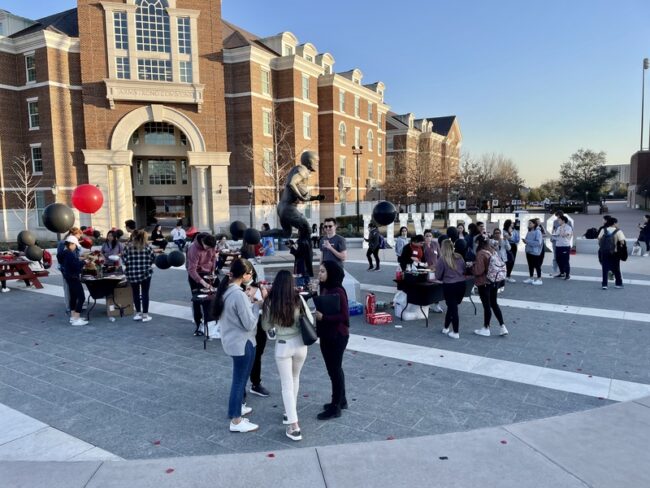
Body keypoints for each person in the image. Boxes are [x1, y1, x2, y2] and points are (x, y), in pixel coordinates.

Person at [211, 258, 261, 433]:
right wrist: (257, 306)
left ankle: (237, 409)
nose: (251, 277)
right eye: (251, 274)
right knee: (239, 381)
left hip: (234, 341)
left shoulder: (227, 290)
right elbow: (249, 324)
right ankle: (236, 420)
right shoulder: (238, 294)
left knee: (239, 379)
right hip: (242, 342)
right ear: (245, 275)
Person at [261, 270, 307, 441]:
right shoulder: (298, 298)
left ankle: (294, 425)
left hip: (282, 345)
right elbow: (306, 319)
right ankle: (290, 414)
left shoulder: (270, 302)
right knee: (295, 378)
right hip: (300, 344)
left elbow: (266, 326)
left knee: (286, 384)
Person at [314, 261, 349, 420]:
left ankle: (335, 407)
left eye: (322, 271)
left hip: (337, 336)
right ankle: (341, 400)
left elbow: (344, 316)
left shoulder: (338, 291)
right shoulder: (326, 288)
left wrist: (324, 317)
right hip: (327, 334)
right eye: (319, 271)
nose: (319, 274)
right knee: (334, 369)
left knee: (334, 371)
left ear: (331, 273)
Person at [472, 235, 508, 337]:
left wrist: (471, 267)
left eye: (476, 242)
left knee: (486, 306)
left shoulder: (480, 253)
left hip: (484, 283)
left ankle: (486, 328)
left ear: (479, 243)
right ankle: (502, 326)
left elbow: (479, 271)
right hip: (494, 281)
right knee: (494, 304)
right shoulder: (492, 251)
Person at [186, 233, 218, 332]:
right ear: (203, 242)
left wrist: (212, 272)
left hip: (208, 273)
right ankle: (198, 325)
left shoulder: (211, 245)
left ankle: (213, 322)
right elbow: (191, 270)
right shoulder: (193, 249)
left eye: (210, 248)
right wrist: (203, 283)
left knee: (216, 295)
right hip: (196, 274)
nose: (208, 250)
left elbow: (213, 258)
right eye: (207, 247)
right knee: (198, 300)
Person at [122, 229, 156, 322]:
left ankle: (138, 313)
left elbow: (124, 260)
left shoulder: (128, 247)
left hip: (132, 274)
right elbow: (153, 258)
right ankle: (145, 315)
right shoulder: (147, 247)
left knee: (135, 293)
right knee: (145, 293)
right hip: (145, 273)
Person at [437, 239, 466, 339]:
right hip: (461, 284)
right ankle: (445, 327)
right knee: (452, 306)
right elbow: (464, 270)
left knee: (453, 308)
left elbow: (438, 276)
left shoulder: (442, 259)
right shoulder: (459, 256)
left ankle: (456, 332)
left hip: (450, 285)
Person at [59, 236, 87, 327]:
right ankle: (76, 318)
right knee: (81, 297)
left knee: (74, 297)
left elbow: (72, 264)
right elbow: (75, 266)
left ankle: (73, 316)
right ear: (71, 244)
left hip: (68, 276)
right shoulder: (70, 254)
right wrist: (84, 262)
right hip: (73, 277)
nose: (75, 247)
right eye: (75, 245)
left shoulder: (64, 253)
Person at [57, 227, 83, 314]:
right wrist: (83, 262)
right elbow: (74, 264)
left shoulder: (67, 251)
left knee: (73, 294)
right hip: (71, 274)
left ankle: (73, 314)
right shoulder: (68, 251)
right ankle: (74, 315)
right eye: (78, 237)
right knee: (78, 296)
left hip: (68, 273)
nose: (76, 246)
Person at [598, 216, 626, 290]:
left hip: (604, 252)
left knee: (605, 268)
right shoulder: (618, 231)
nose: (618, 224)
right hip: (614, 253)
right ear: (614, 223)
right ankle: (618, 284)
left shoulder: (603, 230)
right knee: (616, 268)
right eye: (617, 223)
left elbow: (599, 239)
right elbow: (622, 242)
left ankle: (604, 284)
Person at [523, 219, 544, 285]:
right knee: (530, 265)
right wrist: (525, 241)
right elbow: (527, 240)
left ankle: (539, 279)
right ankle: (531, 278)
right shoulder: (529, 231)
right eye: (528, 223)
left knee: (537, 265)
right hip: (528, 251)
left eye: (530, 223)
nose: (529, 225)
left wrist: (527, 241)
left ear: (534, 224)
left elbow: (538, 243)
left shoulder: (538, 232)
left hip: (535, 251)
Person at [553, 215, 573, 280]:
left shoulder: (568, 227)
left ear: (563, 220)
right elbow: (556, 235)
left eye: (559, 220)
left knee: (565, 261)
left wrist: (562, 231)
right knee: (558, 260)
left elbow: (565, 235)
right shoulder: (558, 227)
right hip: (558, 245)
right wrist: (553, 237)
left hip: (565, 246)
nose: (558, 221)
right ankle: (562, 273)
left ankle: (567, 274)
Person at [549, 211, 564, 275]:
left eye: (558, 216)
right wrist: (551, 237)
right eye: (557, 216)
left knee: (562, 257)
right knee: (555, 256)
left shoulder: (567, 222)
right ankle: (554, 270)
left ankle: (562, 271)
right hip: (555, 240)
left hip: (563, 241)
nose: (557, 218)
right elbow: (553, 230)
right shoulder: (555, 221)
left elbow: (570, 232)